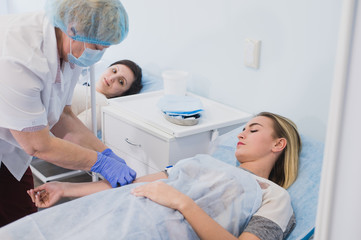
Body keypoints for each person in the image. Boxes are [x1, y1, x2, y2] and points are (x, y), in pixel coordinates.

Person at [28, 112, 301, 239]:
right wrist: (64, 189)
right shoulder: (202, 161)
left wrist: (181, 202)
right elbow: (133, 186)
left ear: (278, 144)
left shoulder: (274, 196)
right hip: (115, 215)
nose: (241, 134)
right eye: (243, 128)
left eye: (253, 130)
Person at [0, 0, 136, 227]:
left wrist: (106, 152)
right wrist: (101, 163)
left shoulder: (70, 49)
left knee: (22, 213)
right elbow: (38, 145)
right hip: (23, 139)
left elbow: (63, 116)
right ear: (73, 29)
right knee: (15, 224)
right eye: (98, 46)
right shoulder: (18, 56)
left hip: (13, 144)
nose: (102, 53)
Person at [71, 59, 143, 131]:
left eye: (121, 81)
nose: (112, 78)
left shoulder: (103, 105)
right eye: (114, 71)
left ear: (122, 94)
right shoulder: (77, 81)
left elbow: (73, 132)